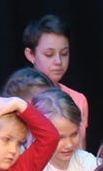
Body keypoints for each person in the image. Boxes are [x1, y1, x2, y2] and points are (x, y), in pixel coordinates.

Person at [22, 15, 89, 146]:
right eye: (49, 54)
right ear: (30, 54)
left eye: (64, 53)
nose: (58, 61)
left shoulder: (78, 99)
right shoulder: (19, 99)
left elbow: (80, 150)